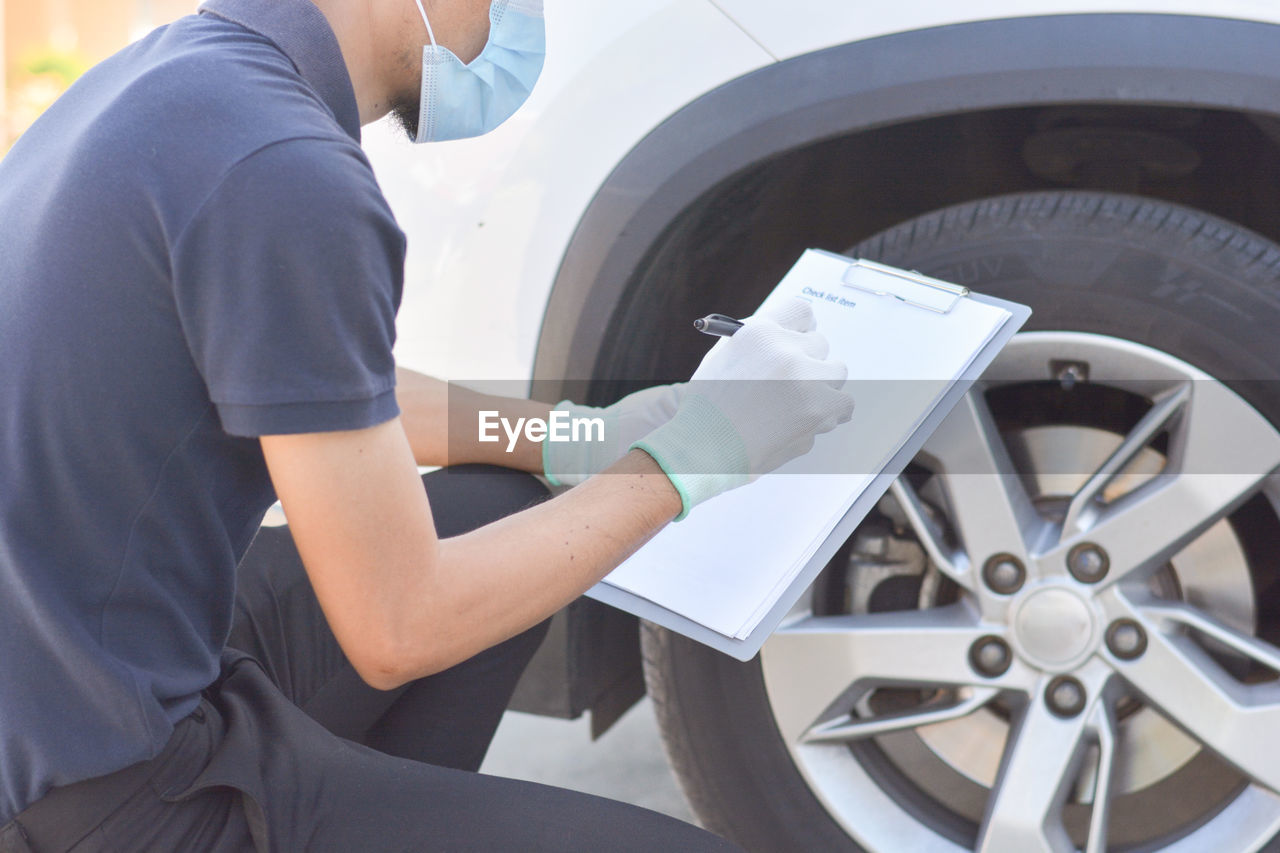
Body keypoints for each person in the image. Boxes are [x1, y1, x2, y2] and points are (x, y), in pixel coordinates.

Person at [0, 0, 854, 849]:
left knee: (500, 503)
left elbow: (315, 382)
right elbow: (398, 626)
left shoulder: (178, 76)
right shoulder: (286, 168)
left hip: (68, 677)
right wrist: (690, 457)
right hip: (103, 787)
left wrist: (581, 436)